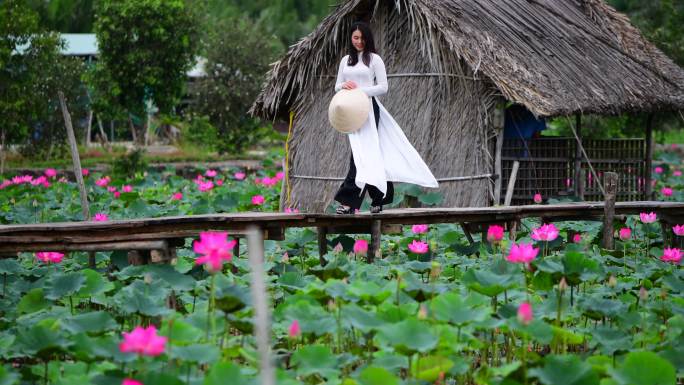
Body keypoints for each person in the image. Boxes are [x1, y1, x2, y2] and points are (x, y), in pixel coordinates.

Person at [333, 21, 438, 214]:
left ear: (368, 39)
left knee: (362, 155)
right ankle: (378, 199)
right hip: (350, 110)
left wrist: (360, 90)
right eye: (355, 38)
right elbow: (337, 85)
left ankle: (349, 203)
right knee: (365, 154)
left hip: (368, 110)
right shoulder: (345, 60)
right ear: (351, 38)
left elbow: (383, 87)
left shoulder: (374, 59)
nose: (359, 42)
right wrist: (344, 86)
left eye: (362, 38)